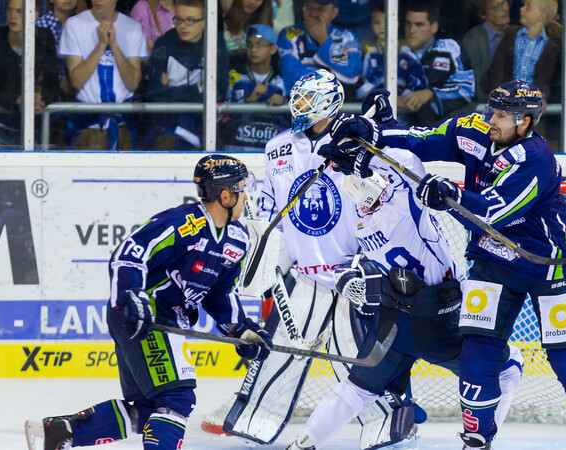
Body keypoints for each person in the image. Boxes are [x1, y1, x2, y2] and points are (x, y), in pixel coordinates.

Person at [323, 81, 566, 449]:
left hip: (546, 266)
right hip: (492, 263)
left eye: (500, 115)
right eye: (491, 109)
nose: (490, 119)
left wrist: (451, 195)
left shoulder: (537, 159)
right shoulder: (476, 129)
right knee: (478, 351)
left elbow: (494, 213)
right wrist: (375, 132)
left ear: (525, 122)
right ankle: (477, 440)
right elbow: (424, 139)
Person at [287, 103, 525, 449]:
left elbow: (377, 170)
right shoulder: (403, 205)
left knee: (355, 391)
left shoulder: (360, 222)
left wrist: (369, 135)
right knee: (509, 366)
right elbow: (406, 161)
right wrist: (378, 128)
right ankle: (481, 443)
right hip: (442, 317)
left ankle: (301, 444)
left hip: (396, 321)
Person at [217, 70, 419, 449]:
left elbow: (384, 200)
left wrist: (370, 264)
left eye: (307, 100)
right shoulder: (278, 146)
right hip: (305, 274)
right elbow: (273, 208)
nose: (298, 107)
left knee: (357, 359)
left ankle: (392, 424)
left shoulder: (357, 140)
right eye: (297, 99)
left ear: (328, 102)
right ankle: (255, 421)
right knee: (280, 352)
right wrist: (267, 247)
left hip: (352, 273)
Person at [24, 154, 273, 450]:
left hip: (164, 319)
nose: (247, 196)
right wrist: (131, 294)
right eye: (242, 188)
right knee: (177, 399)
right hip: (147, 314)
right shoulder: (185, 223)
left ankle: (63, 432)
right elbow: (130, 252)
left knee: (148, 409)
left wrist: (241, 330)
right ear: (225, 194)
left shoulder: (237, 239)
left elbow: (220, 293)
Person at [58, 0, 148, 150]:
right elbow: (77, 81)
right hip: (86, 125)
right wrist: (100, 45)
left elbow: (132, 83)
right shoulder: (74, 24)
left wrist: (113, 45)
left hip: (121, 124)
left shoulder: (133, 28)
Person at [145, 0, 229, 150]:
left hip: (206, 128)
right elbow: (155, 96)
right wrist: (199, 88)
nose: (182, 25)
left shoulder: (216, 43)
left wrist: (172, 91)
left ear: (205, 22)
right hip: (166, 127)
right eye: (178, 19)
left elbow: (220, 92)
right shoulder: (163, 43)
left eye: (189, 20)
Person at [0, 0, 59, 148]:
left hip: (31, 130)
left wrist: (41, 100)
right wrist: (17, 99)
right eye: (10, 10)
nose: (12, 16)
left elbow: (52, 85)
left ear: (34, 15)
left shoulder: (44, 38)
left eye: (19, 11)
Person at [397, 0, 474, 127]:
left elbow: (466, 90)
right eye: (408, 24)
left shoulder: (450, 48)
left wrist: (430, 94)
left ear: (434, 27)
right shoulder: (397, 51)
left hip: (445, 128)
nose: (411, 30)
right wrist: (394, 99)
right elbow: (377, 87)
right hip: (404, 127)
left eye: (419, 25)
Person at [220, 23, 290, 151]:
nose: (253, 50)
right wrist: (248, 100)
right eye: (250, 44)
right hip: (235, 147)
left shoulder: (283, 79)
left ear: (273, 49)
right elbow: (221, 112)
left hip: (270, 150)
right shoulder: (234, 76)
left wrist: (284, 102)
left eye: (259, 44)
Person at [276, 0, 362, 94]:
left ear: (334, 13)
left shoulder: (347, 37)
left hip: (340, 105)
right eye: (309, 7)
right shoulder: (290, 33)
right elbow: (292, 74)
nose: (313, 13)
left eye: (320, 9)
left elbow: (352, 73)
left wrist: (323, 39)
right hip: (301, 104)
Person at [487, 0, 559, 99]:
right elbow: (498, 66)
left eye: (528, 7)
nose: (522, 9)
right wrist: (496, 89)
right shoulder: (510, 36)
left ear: (542, 15)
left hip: (531, 103)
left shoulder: (550, 47)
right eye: (523, 5)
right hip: (506, 99)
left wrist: (542, 96)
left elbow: (546, 79)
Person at [463, 0, 514, 102]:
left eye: (504, 3)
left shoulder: (519, 33)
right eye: (496, 7)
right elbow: (476, 82)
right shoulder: (473, 39)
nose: (504, 9)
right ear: (483, 14)